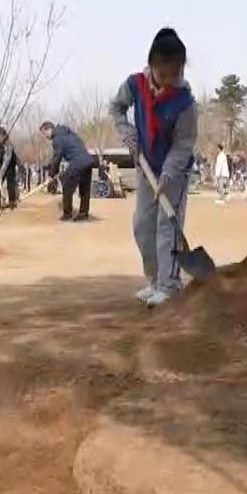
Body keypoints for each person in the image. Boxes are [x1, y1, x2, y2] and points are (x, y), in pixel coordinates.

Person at [110, 28, 199, 306]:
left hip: (174, 171)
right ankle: (154, 280)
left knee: (166, 225)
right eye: (163, 74)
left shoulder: (185, 103)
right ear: (150, 65)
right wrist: (127, 132)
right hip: (146, 164)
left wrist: (169, 174)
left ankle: (169, 285)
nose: (170, 80)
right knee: (142, 224)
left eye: (176, 73)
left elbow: (183, 144)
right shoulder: (134, 84)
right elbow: (116, 108)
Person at [39, 120, 97, 221]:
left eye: (44, 133)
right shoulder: (70, 134)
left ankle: (67, 214)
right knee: (84, 189)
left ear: (49, 129)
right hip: (88, 160)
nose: (45, 137)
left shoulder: (57, 139)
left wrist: (52, 174)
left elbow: (57, 157)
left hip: (77, 162)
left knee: (67, 186)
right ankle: (83, 213)